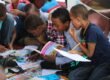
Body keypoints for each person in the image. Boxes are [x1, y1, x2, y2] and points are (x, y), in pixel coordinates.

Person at [68, 4, 110, 80]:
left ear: (78, 19)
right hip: (94, 60)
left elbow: (89, 54)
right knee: (72, 75)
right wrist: (78, 53)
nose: (71, 22)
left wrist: (75, 39)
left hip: (105, 62)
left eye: (71, 19)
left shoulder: (92, 31)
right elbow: (88, 51)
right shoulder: (84, 30)